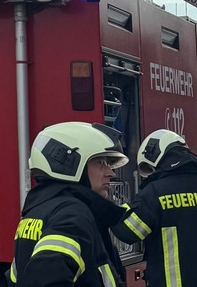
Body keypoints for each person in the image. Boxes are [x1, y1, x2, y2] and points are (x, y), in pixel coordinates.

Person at [10, 122, 129, 287]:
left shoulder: (38, 211)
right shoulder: (72, 215)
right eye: (101, 163)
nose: (111, 173)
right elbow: (44, 278)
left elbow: (15, 278)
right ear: (70, 164)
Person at [111, 129, 197, 287]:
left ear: (156, 156)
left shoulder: (154, 194)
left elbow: (127, 232)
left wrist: (107, 205)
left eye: (151, 169)